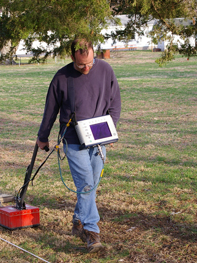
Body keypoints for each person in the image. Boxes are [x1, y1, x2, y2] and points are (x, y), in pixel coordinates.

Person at [36, 38, 121, 253]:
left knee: (91, 184)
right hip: (73, 138)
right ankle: (92, 232)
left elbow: (115, 103)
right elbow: (50, 110)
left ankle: (78, 220)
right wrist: (42, 136)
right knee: (85, 184)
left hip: (99, 137)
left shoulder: (106, 70)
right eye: (81, 64)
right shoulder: (62, 77)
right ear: (72, 56)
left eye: (90, 63)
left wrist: (109, 131)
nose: (87, 68)